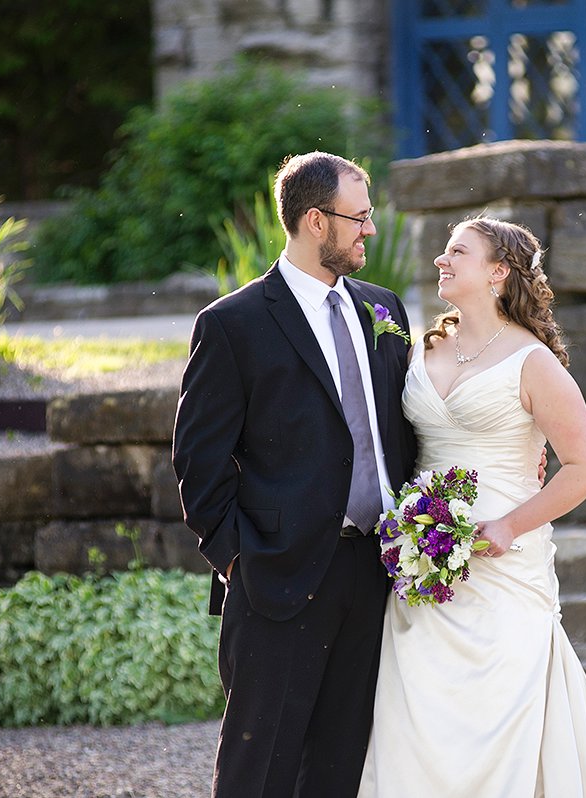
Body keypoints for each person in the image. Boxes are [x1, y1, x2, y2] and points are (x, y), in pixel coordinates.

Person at [358, 217, 586, 796]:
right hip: (422, 562)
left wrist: (510, 523)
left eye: (458, 251)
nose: (441, 259)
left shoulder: (534, 363)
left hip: (502, 565)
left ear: (498, 272)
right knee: (418, 715)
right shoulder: (423, 347)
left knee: (500, 710)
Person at [172, 151, 416, 798]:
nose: (369, 230)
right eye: (358, 218)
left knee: (339, 770)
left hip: (373, 576)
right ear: (315, 220)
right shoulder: (233, 325)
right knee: (260, 775)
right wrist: (240, 562)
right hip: (277, 582)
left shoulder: (384, 309)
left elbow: (405, 429)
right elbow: (198, 463)